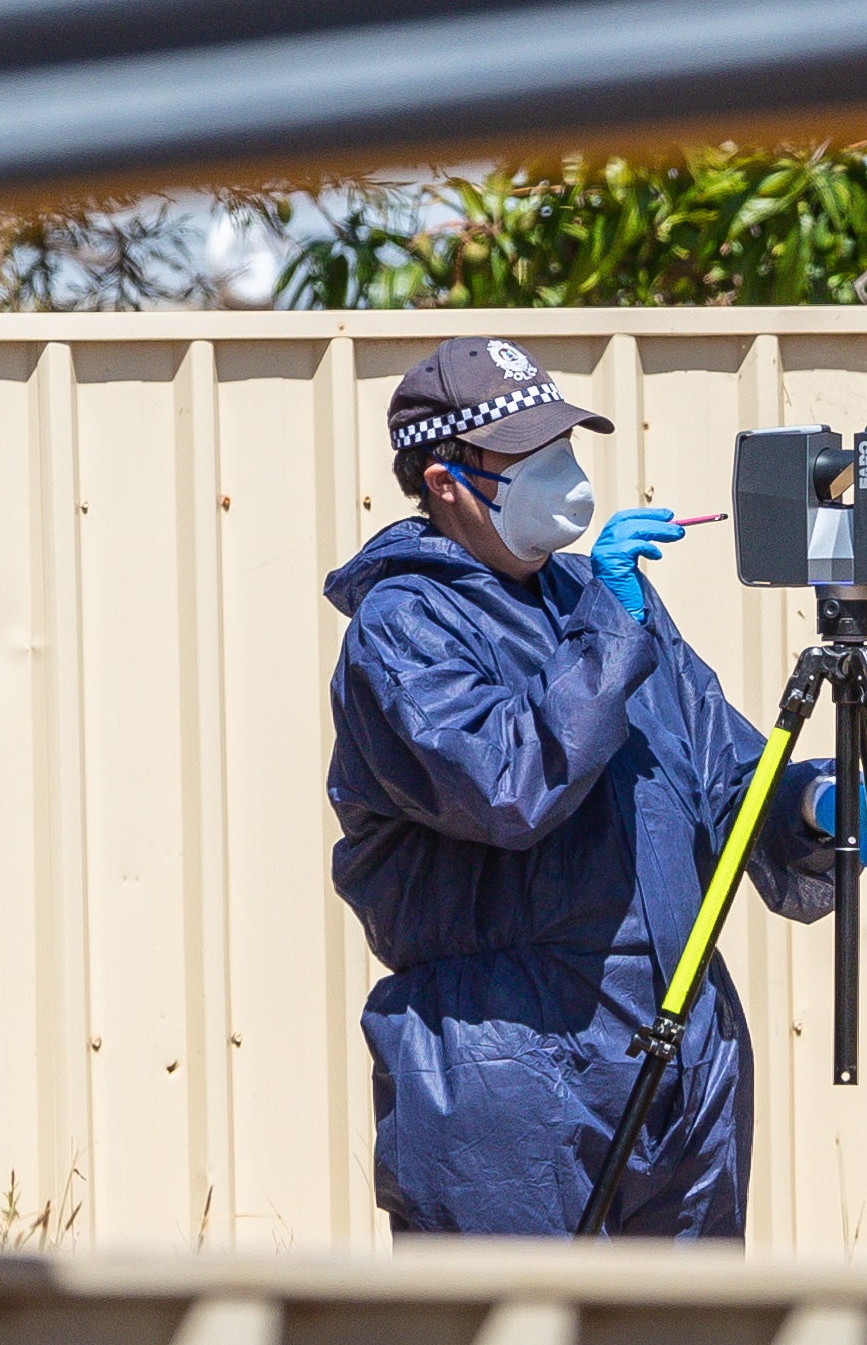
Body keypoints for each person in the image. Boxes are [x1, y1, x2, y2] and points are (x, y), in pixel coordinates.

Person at [324, 334, 837, 1238]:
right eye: (529, 457)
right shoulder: (401, 627)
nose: (562, 472)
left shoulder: (597, 605)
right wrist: (610, 627)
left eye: (564, 446)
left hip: (676, 1043)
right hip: (505, 1067)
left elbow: (722, 777)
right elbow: (508, 786)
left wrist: (812, 808)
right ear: (446, 481)